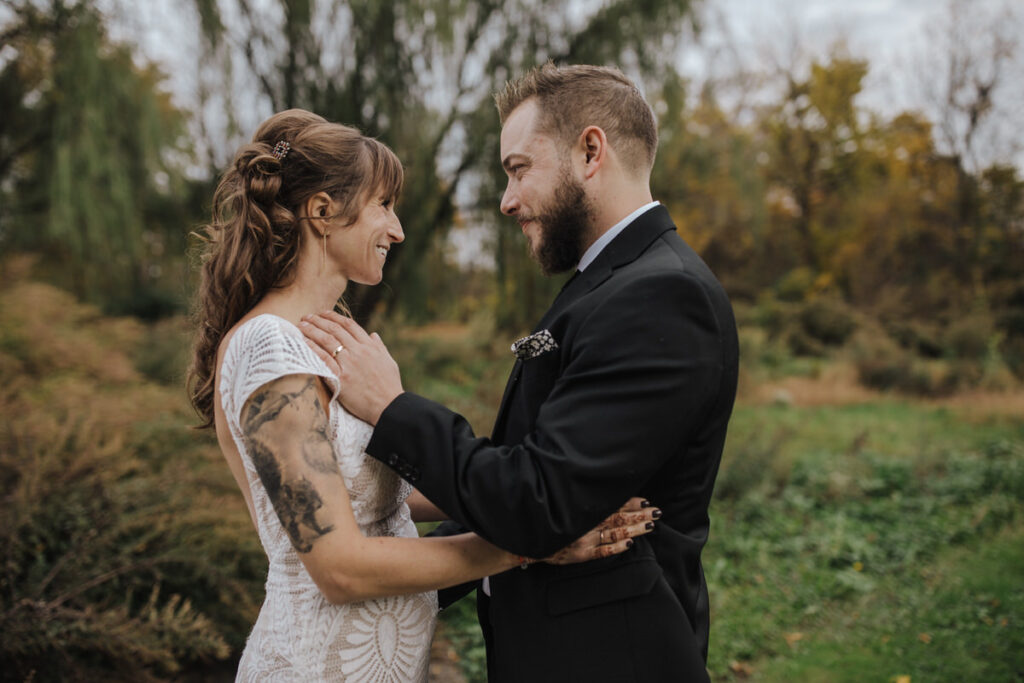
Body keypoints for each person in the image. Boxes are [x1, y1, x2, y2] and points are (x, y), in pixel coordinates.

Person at [301, 63, 740, 682]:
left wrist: (392, 408)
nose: (507, 201)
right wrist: (395, 572)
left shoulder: (662, 294)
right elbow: (529, 473)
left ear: (591, 151)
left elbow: (537, 501)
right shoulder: (608, 285)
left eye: (518, 169)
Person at [186, 108, 658, 682]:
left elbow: (371, 497)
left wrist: (547, 494)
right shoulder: (269, 348)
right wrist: (529, 544)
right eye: (384, 205)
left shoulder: (329, 338)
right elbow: (339, 568)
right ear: (322, 212)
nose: (398, 229)